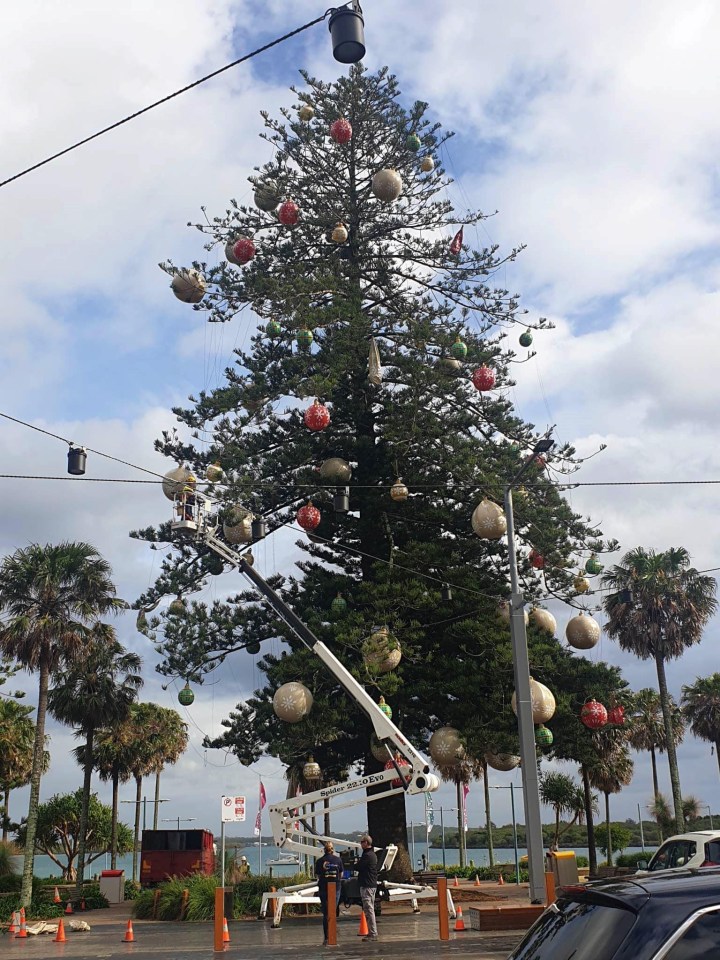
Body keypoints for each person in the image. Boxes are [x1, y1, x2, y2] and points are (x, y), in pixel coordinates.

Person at [316, 841, 344, 946]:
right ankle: (332, 936)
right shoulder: (338, 860)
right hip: (335, 887)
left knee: (326, 912)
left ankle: (327, 938)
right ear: (333, 849)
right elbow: (340, 874)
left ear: (324, 849)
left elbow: (318, 875)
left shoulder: (319, 861)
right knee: (332, 911)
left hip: (323, 887)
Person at [357, 834, 379, 942]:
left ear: (366, 843)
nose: (361, 844)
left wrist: (355, 864)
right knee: (370, 909)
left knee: (369, 909)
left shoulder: (367, 855)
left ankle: (373, 933)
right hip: (371, 884)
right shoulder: (372, 854)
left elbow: (359, 866)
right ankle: (372, 932)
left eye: (362, 842)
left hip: (367, 885)